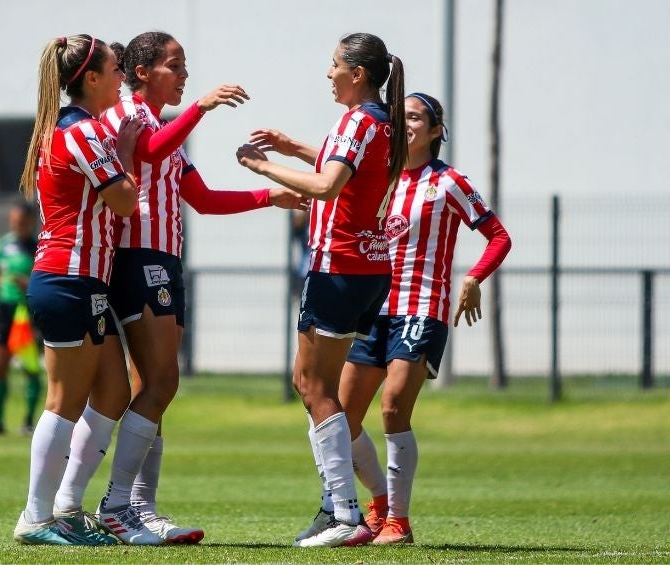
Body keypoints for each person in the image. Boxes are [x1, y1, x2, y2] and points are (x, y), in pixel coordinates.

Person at [55, 31, 304, 546]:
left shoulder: (160, 125)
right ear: (142, 71)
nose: (186, 74)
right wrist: (202, 107)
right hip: (138, 261)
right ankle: (118, 506)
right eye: (176, 64)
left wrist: (269, 196)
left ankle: (136, 508)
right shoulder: (129, 115)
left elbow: (203, 198)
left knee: (157, 388)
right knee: (160, 383)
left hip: (164, 263)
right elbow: (146, 150)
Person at [316, 92, 513, 545]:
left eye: (415, 117)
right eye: (400, 117)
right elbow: (330, 172)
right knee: (342, 418)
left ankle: (398, 522)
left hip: (421, 309)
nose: (405, 124)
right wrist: (289, 148)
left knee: (392, 407)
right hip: (374, 309)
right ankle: (381, 503)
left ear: (436, 130)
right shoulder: (378, 178)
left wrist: (474, 278)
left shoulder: (448, 181)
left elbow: (498, 236)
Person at [236, 32, 407, 547]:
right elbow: (343, 167)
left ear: (357, 73)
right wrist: (293, 146)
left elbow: (328, 184)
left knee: (313, 387)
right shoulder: (381, 121)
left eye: (333, 65)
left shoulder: (359, 119)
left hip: (339, 267)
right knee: (319, 388)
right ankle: (356, 507)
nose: (327, 73)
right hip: (369, 271)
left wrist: (263, 166)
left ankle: (345, 513)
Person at [12, 33, 144, 546]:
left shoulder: (73, 130)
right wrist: (129, 150)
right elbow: (126, 201)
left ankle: (65, 507)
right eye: (115, 69)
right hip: (66, 280)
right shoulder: (82, 133)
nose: (121, 78)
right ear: (90, 79)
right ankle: (37, 517)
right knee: (64, 399)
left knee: (113, 391)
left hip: (82, 281)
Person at [0, 201, 41, 437]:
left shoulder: (38, 248)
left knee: (30, 367)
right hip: (3, 310)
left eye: (22, 221)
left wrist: (28, 283)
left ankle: (28, 421)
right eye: (14, 221)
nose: (17, 225)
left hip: (25, 313)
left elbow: (43, 281)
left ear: (31, 222)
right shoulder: (2, 245)